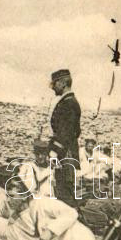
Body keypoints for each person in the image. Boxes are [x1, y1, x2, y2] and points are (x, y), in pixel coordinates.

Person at [0, 176, 97, 240]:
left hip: (73, 233)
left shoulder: (42, 203)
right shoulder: (14, 223)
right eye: (7, 196)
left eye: (11, 196)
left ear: (24, 195)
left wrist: (50, 231)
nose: (7, 200)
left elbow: (71, 213)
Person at [48, 69, 82, 207]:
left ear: (62, 83)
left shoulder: (69, 103)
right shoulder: (68, 101)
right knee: (62, 191)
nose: (52, 87)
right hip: (65, 152)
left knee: (65, 193)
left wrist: (54, 152)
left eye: (55, 83)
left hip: (65, 154)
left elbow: (66, 132)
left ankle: (73, 217)